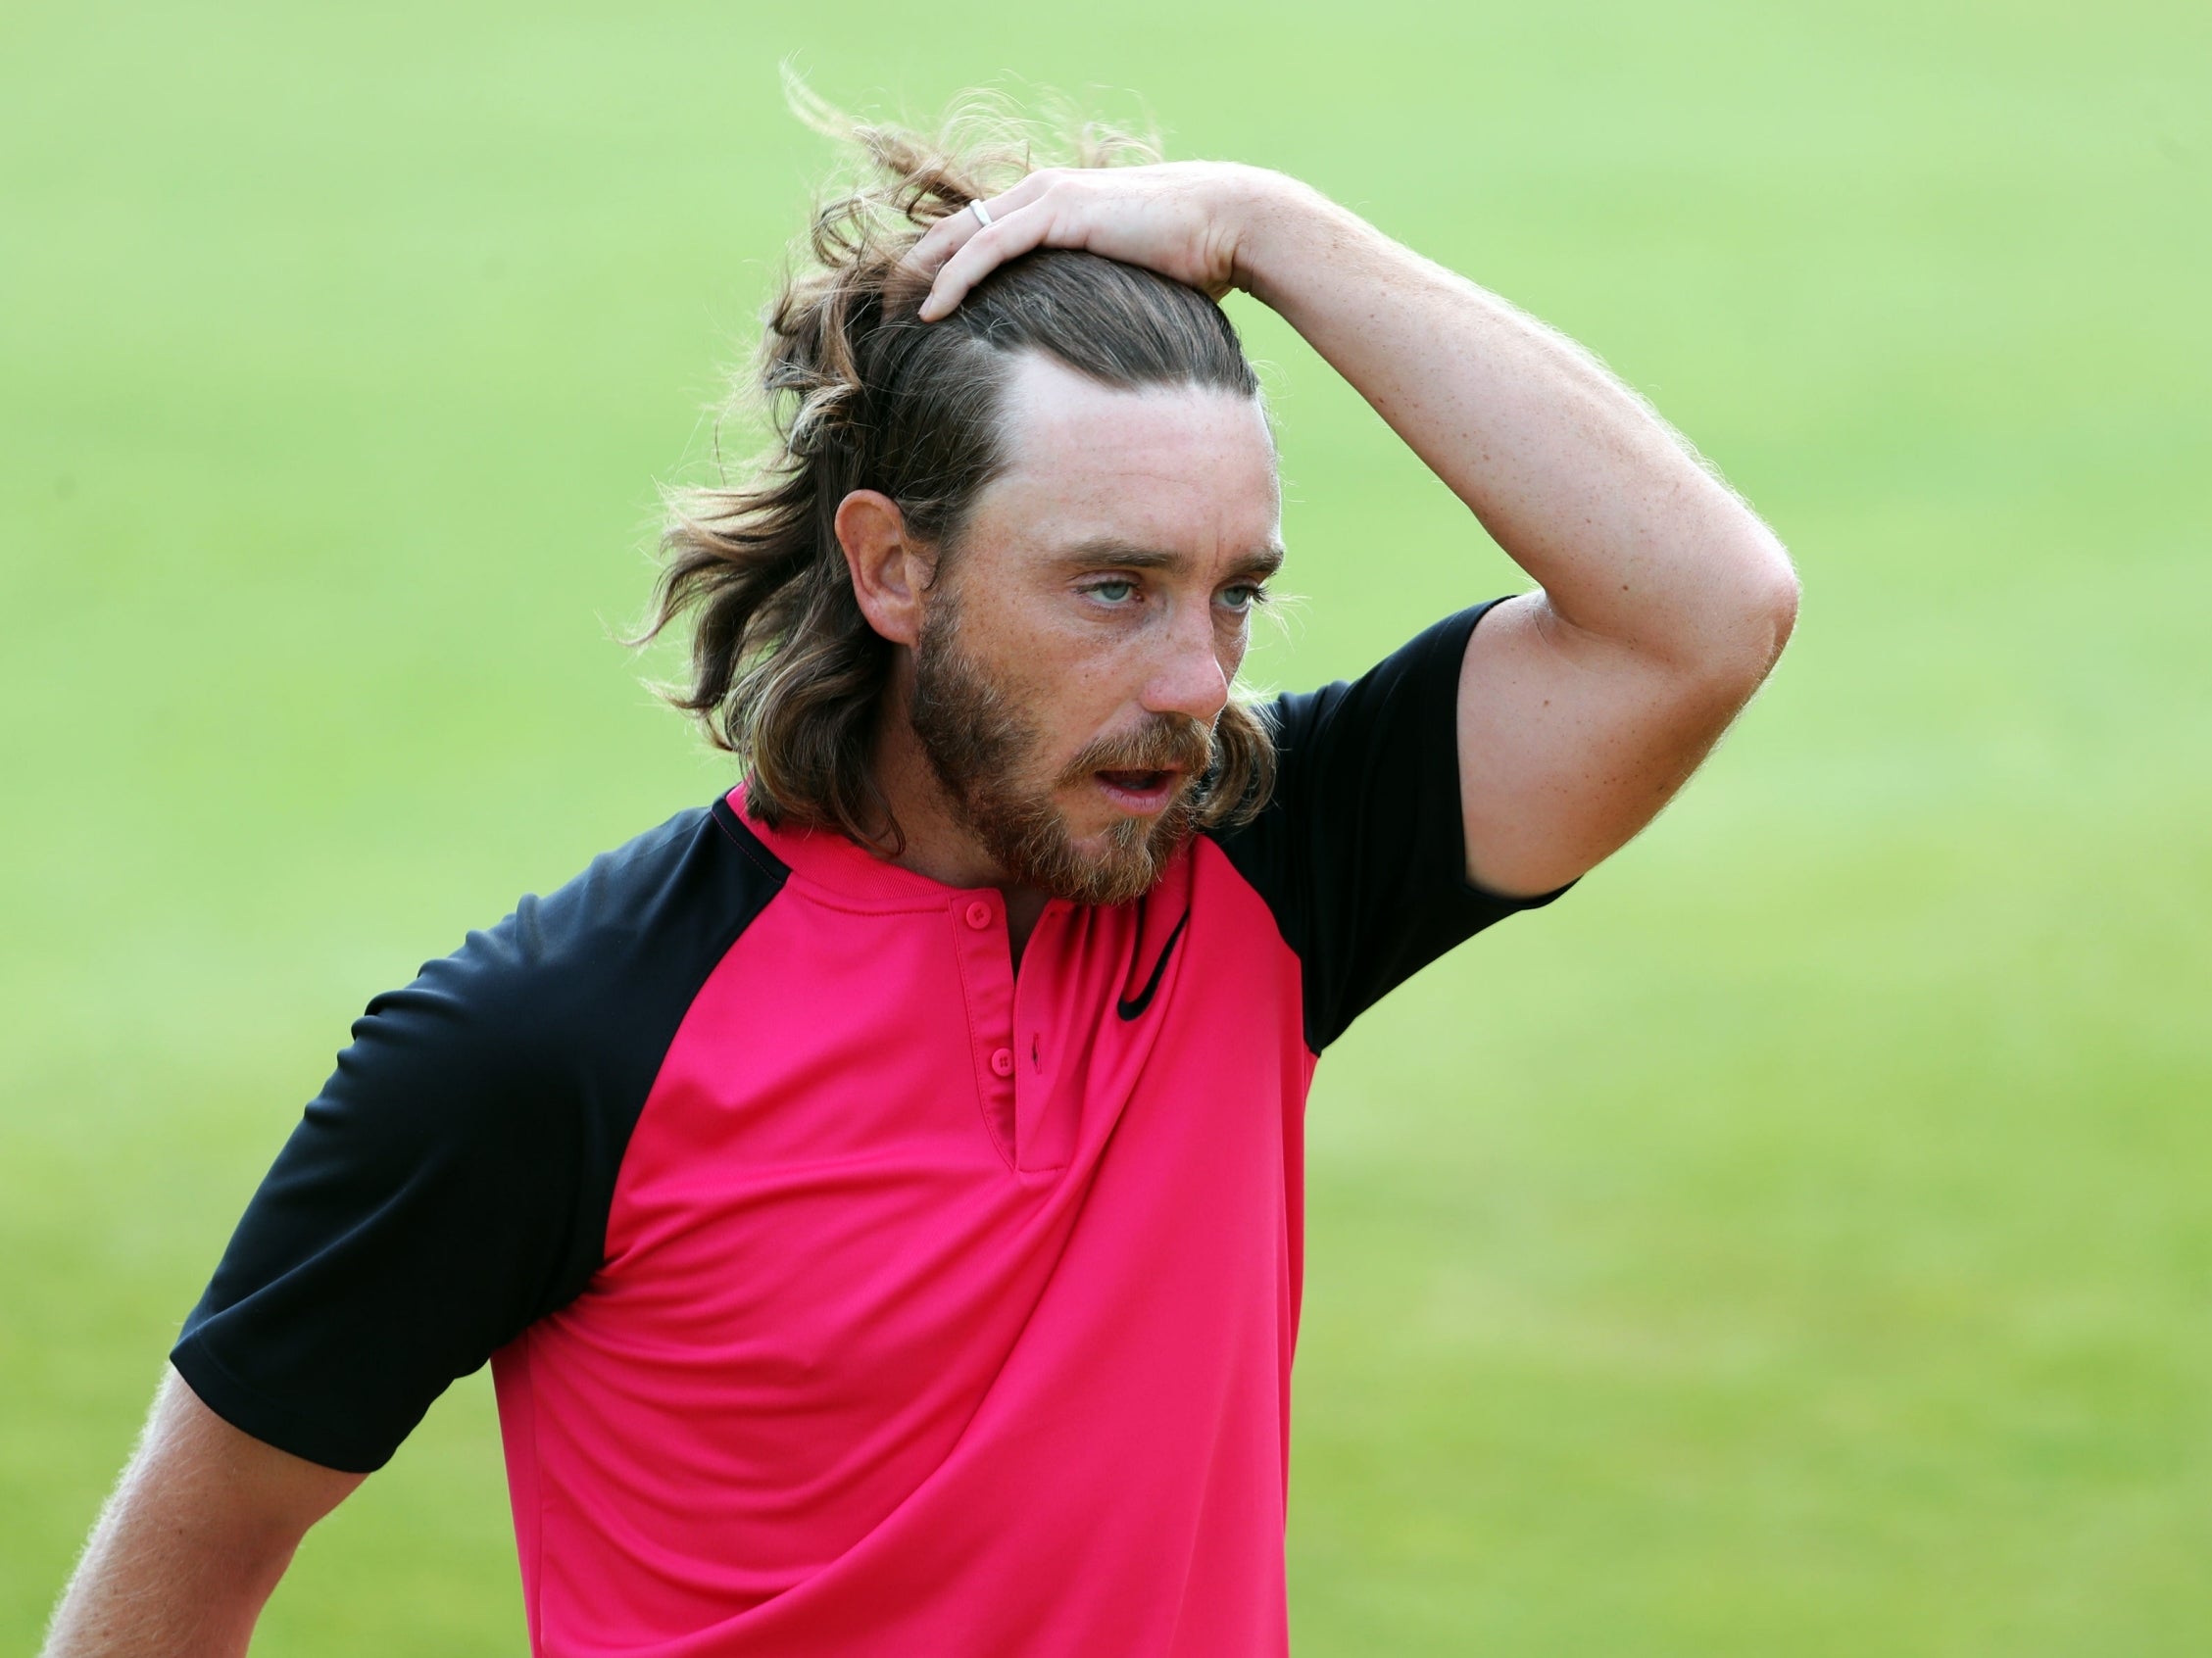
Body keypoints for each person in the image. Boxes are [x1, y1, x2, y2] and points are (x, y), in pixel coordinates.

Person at [43, 101, 1798, 1657]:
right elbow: (200, 1546)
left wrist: (1274, 228)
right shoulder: (546, 1046)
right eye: (1113, 587)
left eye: (1232, 590)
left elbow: (1701, 615)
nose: (1198, 677)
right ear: (894, 568)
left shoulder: (1269, 869)